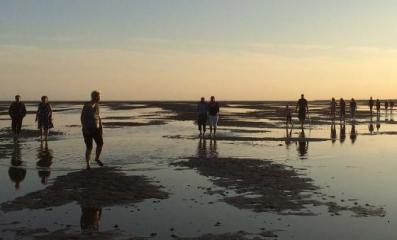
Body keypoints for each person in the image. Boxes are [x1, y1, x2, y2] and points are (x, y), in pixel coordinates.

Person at [81, 91, 104, 170]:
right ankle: (88, 164)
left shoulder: (97, 105)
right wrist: (85, 128)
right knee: (89, 147)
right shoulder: (87, 105)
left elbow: (98, 116)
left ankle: (97, 158)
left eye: (99, 96)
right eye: (98, 96)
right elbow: (82, 118)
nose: (99, 98)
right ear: (93, 97)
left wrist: (101, 127)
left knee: (100, 144)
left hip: (96, 129)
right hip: (88, 129)